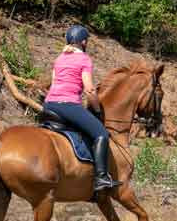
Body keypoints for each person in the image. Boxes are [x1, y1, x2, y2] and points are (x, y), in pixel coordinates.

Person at [43, 25, 122, 192]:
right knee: (101, 133)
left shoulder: (59, 59)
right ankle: (101, 178)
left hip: (49, 104)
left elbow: (54, 82)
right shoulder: (84, 59)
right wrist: (97, 110)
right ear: (84, 42)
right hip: (68, 104)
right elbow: (90, 90)